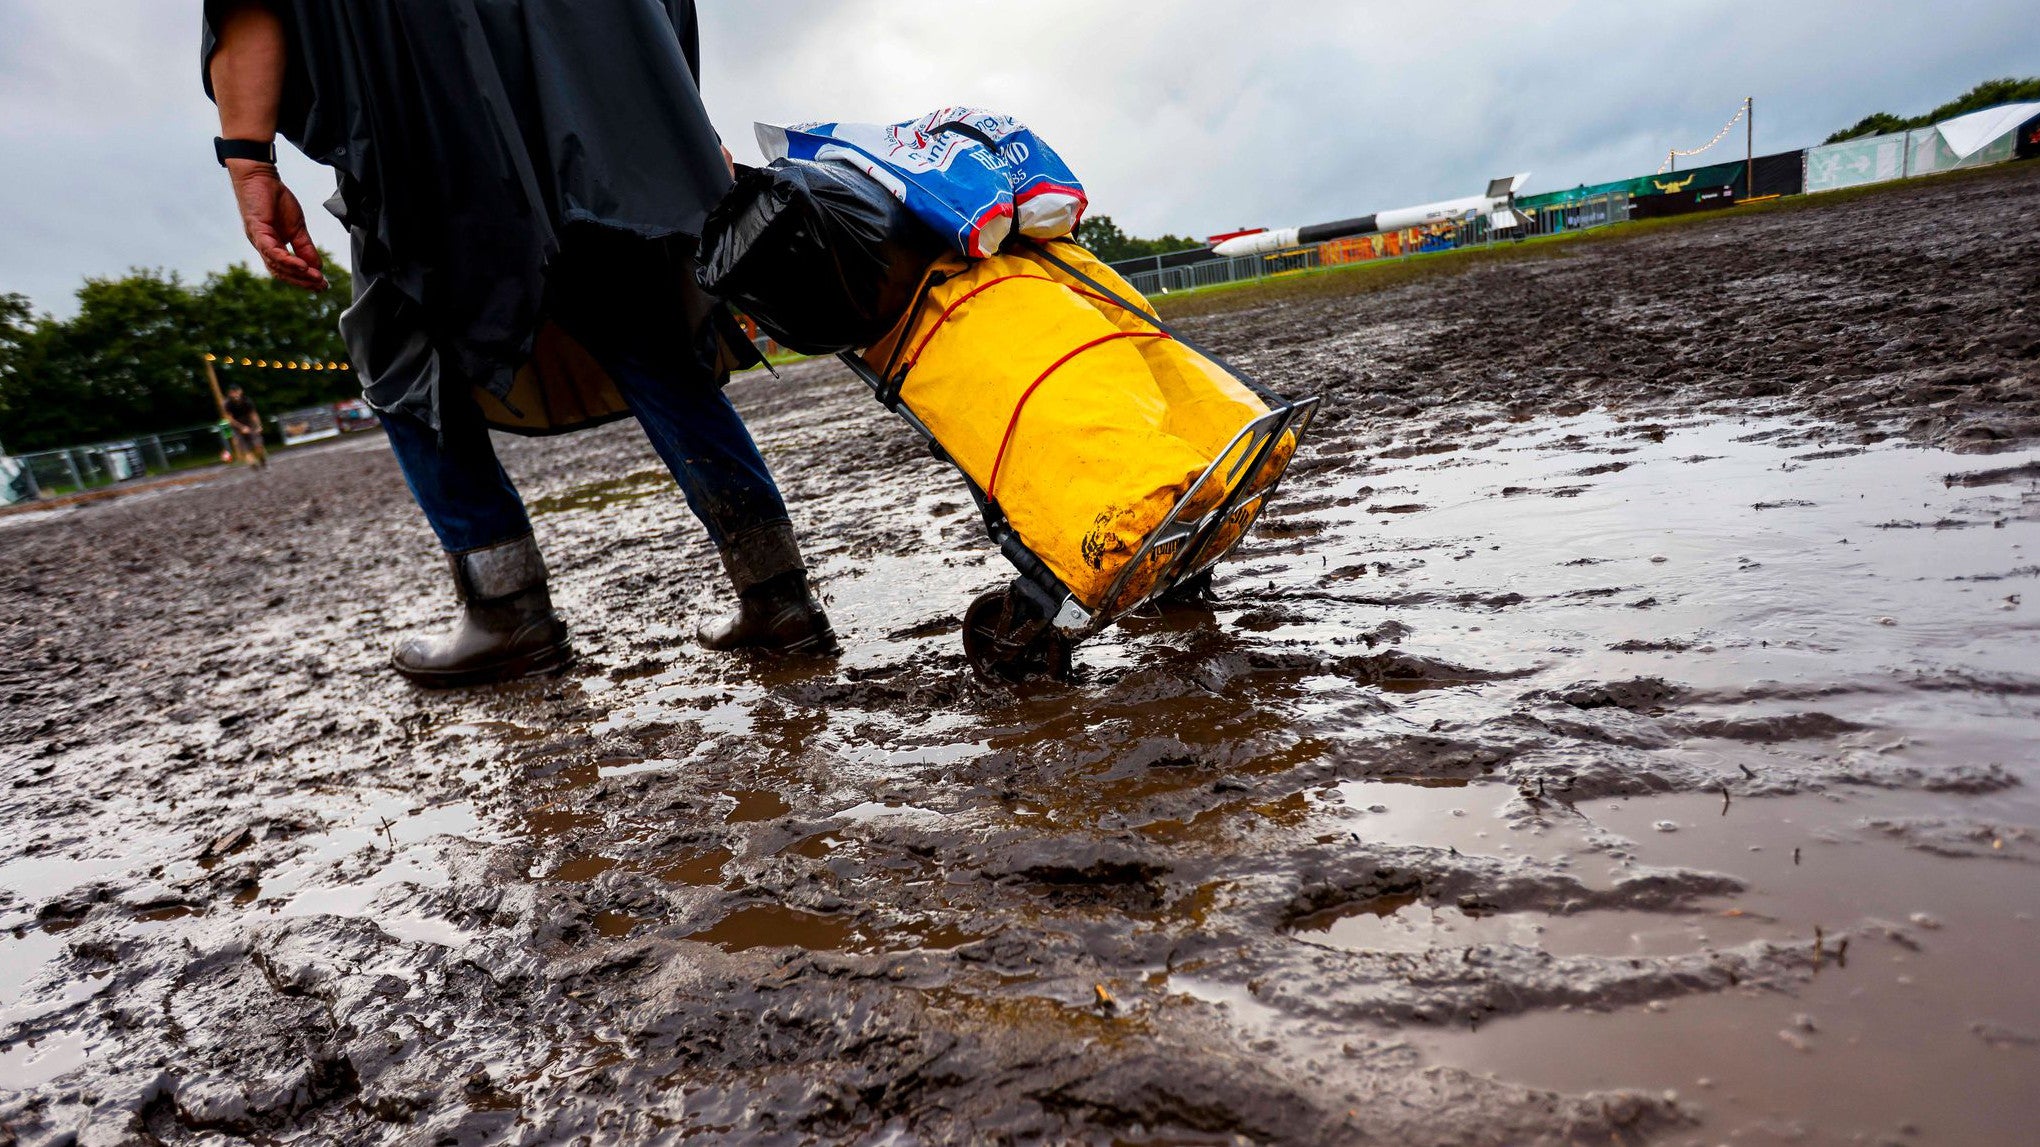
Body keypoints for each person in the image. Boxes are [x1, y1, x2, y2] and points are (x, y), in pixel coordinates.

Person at [200, 0, 836, 688]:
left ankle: (507, 610)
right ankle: (777, 592)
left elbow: (252, 7)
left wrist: (249, 164)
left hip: (431, 115)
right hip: (594, 98)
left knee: (403, 347)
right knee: (640, 323)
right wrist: (677, 117)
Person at [221, 383, 267, 469]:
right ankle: (253, 464)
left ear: (240, 391)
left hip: (249, 423)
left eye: (236, 391)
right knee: (245, 448)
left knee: (258, 445)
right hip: (236, 426)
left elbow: (253, 414)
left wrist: (258, 425)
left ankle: (262, 459)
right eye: (232, 393)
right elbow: (230, 419)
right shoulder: (227, 404)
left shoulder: (247, 401)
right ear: (229, 394)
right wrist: (241, 427)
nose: (235, 394)